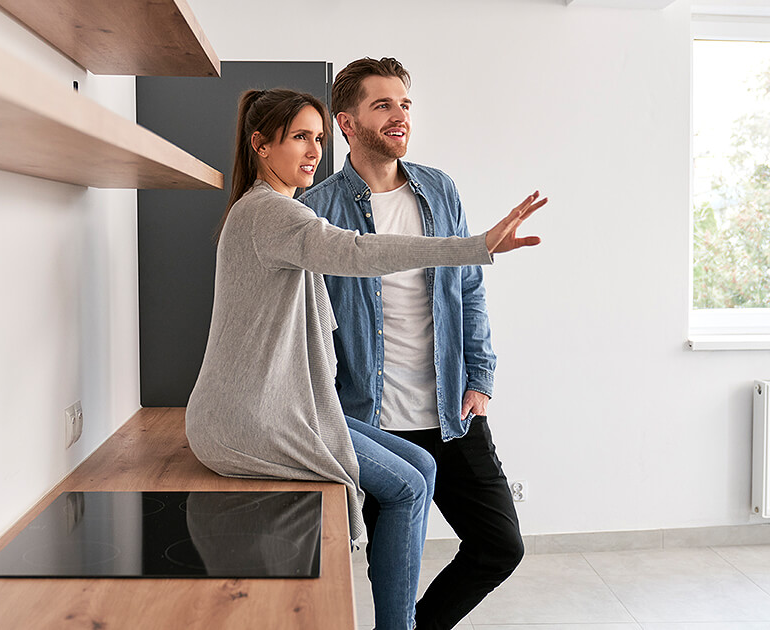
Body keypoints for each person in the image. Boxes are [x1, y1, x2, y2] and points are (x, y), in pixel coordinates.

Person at [185, 88, 544, 630]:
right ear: (260, 146)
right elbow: (356, 252)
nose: (313, 150)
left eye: (318, 138)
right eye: (301, 137)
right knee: (406, 485)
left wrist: (478, 373)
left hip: (276, 406)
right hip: (252, 418)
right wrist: (475, 245)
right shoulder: (272, 213)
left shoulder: (274, 210)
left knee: (422, 468)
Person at [300, 57, 537, 629]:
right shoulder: (317, 211)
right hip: (372, 419)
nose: (399, 116)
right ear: (347, 124)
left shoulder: (438, 189)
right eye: (382, 105)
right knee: (391, 579)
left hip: (451, 410)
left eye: (404, 104)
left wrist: (479, 377)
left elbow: (469, 287)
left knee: (500, 546)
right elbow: (304, 328)